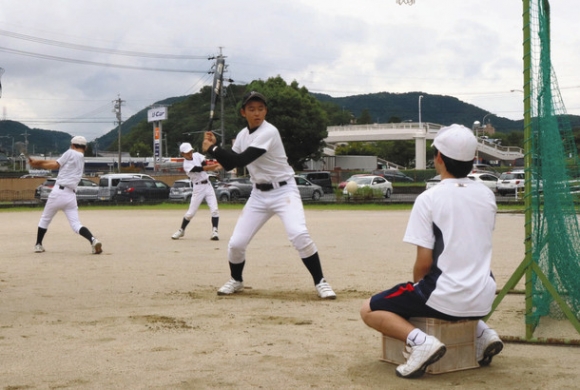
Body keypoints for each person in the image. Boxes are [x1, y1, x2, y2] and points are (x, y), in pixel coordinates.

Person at [360, 124, 503, 378]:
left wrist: (418, 291)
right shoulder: (486, 195)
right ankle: (482, 332)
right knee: (453, 288)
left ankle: (420, 342)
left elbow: (423, 263)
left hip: (445, 295)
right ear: (472, 160)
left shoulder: (429, 198)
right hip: (484, 295)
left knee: (368, 309)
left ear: (438, 158)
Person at [201, 91, 336, 299]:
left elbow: (242, 160)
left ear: (266, 111)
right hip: (259, 194)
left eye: (261, 109)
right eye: (252, 109)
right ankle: (236, 280)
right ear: (243, 112)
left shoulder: (269, 131)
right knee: (236, 244)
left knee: (299, 234)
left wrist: (214, 147)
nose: (257, 113)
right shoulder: (243, 135)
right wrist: (213, 149)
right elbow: (230, 162)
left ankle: (321, 282)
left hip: (284, 191)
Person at [29, 136, 103, 254]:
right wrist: (38, 162)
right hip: (71, 195)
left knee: (45, 219)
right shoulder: (81, 157)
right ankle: (93, 240)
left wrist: (38, 163)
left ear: (73, 145)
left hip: (58, 192)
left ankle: (38, 244)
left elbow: (55, 165)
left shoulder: (70, 152)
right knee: (76, 224)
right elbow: (56, 163)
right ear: (85, 147)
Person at [171, 142, 222, 241]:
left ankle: (215, 231)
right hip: (198, 188)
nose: (189, 154)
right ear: (182, 154)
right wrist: (216, 165)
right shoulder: (186, 165)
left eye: (190, 151)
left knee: (214, 209)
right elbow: (200, 169)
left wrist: (215, 166)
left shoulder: (197, 155)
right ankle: (181, 230)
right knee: (191, 213)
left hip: (208, 185)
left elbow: (204, 165)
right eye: (187, 153)